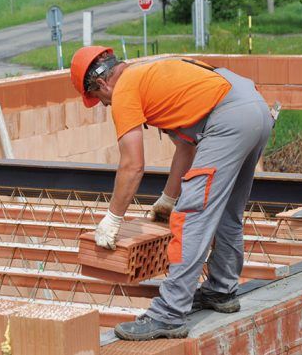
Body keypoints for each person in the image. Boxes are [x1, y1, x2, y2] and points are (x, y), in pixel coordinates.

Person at [69, 46, 274, 341]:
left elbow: (132, 165)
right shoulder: (149, 73)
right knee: (228, 211)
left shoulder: (124, 90)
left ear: (102, 84)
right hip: (253, 107)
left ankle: (169, 314)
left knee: (191, 217)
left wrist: (113, 218)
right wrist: (167, 198)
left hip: (228, 119)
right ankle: (221, 289)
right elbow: (186, 147)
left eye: (99, 100)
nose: (103, 105)